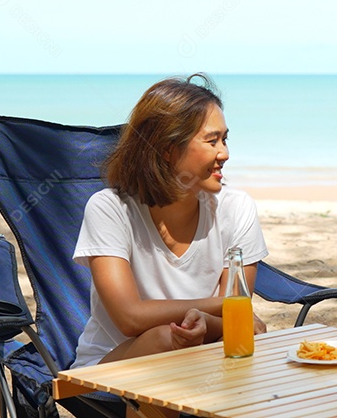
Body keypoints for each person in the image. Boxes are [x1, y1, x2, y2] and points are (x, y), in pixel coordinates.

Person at [71, 74, 268, 376]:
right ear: (166, 148)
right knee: (166, 338)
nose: (225, 154)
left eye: (225, 139)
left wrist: (207, 322)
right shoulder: (110, 209)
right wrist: (223, 306)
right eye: (211, 140)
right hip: (108, 370)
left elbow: (233, 319)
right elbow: (129, 318)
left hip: (202, 358)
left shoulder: (236, 208)